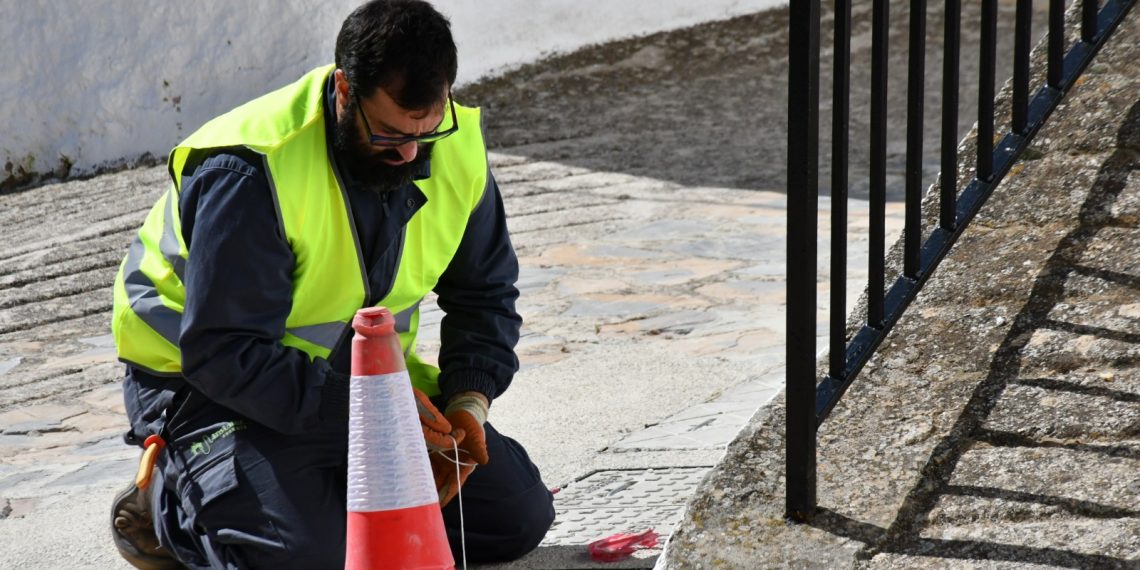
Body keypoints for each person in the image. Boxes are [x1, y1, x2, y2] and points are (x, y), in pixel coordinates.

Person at [108, 1, 555, 567]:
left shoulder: (452, 144)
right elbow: (224, 352)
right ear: (345, 90)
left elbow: (485, 293)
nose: (412, 153)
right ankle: (167, 506)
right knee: (309, 559)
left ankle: (314, 495)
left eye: (427, 129)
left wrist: (469, 402)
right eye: (390, 133)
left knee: (515, 515)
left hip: (354, 387)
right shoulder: (250, 167)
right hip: (209, 390)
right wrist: (371, 410)